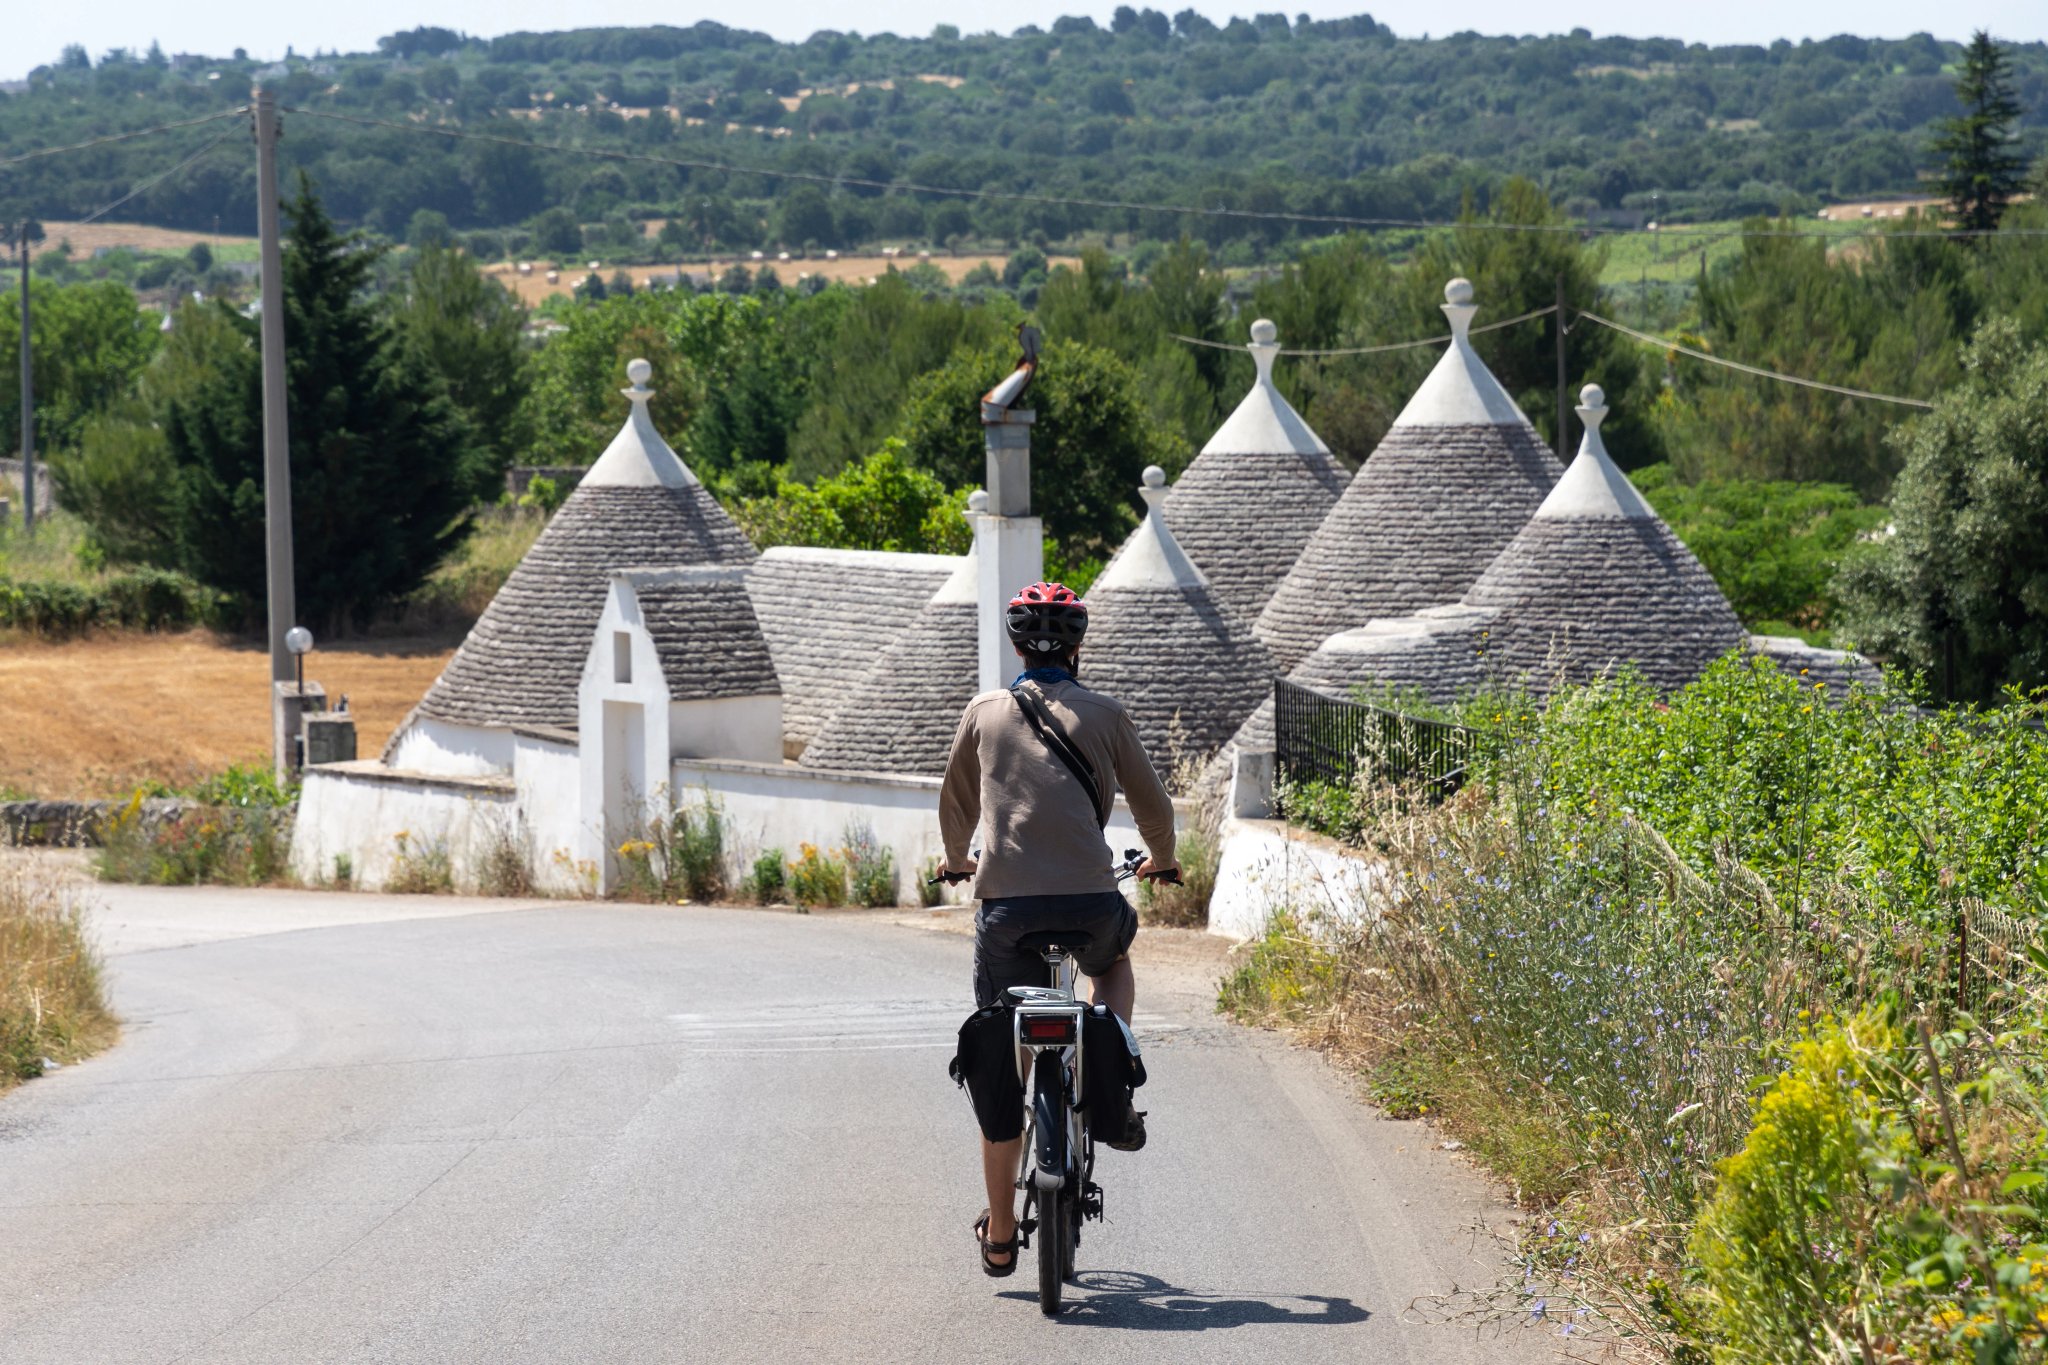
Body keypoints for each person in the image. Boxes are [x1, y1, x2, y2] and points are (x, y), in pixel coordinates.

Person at [938, 581, 1178, 1277]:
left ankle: (1004, 1234)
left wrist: (958, 860)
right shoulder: (1106, 712)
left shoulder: (984, 711)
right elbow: (1152, 804)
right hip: (1090, 904)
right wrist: (1161, 860)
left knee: (1004, 1057)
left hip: (1007, 913)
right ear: (1078, 646)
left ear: (1016, 644)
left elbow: (955, 799)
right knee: (1113, 962)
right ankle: (1114, 1074)